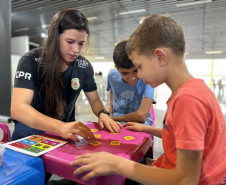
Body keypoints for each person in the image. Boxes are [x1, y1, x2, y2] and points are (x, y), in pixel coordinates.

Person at [71, 14, 226, 185]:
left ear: (160, 57)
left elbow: (186, 179)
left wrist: (118, 164)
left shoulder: (188, 100)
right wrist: (146, 128)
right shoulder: (193, 90)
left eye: (139, 67)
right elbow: (181, 138)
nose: (139, 77)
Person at [11, 8, 122, 142]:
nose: (76, 50)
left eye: (81, 44)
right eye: (70, 42)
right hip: (30, 134)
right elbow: (18, 108)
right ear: (55, 37)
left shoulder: (84, 66)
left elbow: (94, 100)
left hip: (64, 136)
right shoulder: (31, 60)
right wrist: (59, 127)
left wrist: (102, 113)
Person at [107, 40, 155, 126]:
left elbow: (142, 115)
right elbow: (112, 89)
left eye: (135, 71)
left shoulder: (148, 78)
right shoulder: (112, 76)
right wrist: (111, 106)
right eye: (125, 73)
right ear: (117, 70)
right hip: (117, 123)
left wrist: (114, 118)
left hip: (141, 123)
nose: (132, 77)